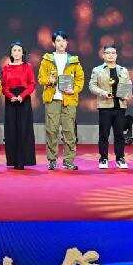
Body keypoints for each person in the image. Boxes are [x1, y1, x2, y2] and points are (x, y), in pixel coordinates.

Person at [37, 30, 84, 170]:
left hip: (68, 100)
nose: (61, 43)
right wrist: (49, 80)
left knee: (69, 132)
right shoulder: (47, 60)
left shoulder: (74, 60)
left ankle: (68, 161)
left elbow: (80, 79)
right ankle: (52, 160)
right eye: (58, 40)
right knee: (52, 131)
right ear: (53, 43)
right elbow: (41, 78)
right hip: (53, 99)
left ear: (67, 43)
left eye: (63, 40)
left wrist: (73, 90)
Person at [88, 44, 131, 169]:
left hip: (120, 106)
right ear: (103, 55)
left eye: (113, 53)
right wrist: (103, 93)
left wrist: (126, 95)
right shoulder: (97, 70)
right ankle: (103, 158)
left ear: (116, 55)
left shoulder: (123, 70)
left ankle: (120, 158)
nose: (111, 55)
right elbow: (92, 86)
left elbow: (128, 85)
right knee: (104, 134)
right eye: (108, 53)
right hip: (105, 106)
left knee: (119, 135)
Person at [1, 42, 36, 170]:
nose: (16, 53)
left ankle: (23, 160)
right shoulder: (6, 68)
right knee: (11, 129)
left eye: (19, 50)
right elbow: (3, 86)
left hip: (24, 99)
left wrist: (22, 96)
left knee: (24, 129)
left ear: (23, 53)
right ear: (11, 53)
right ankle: (13, 160)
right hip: (10, 100)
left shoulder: (28, 67)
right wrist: (11, 96)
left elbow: (32, 84)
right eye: (14, 50)